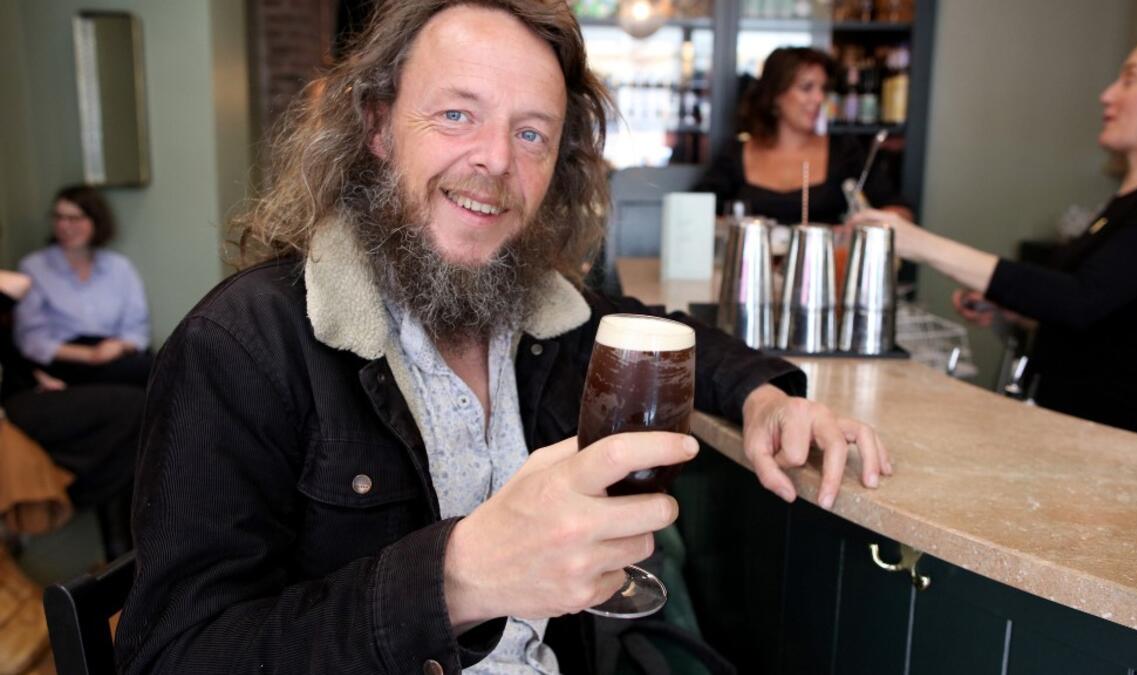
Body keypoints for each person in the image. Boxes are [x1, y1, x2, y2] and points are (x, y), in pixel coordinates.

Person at [115, 2, 892, 673]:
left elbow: (669, 334)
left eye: (532, 134)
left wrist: (764, 396)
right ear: (379, 125)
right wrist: (457, 579)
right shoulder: (240, 347)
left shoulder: (538, 314)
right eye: (457, 114)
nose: (495, 160)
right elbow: (176, 654)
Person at [851, 28, 1137, 444]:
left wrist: (919, 244)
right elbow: (1108, 314)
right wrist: (1012, 308)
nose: (1107, 95)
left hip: (1124, 438)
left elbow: (1081, 299)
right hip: (1073, 427)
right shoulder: (1132, 200)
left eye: (1129, 79)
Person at [0, 269, 141, 560]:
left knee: (138, 409)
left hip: (24, 389)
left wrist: (34, 374)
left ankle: (123, 556)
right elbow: (18, 284)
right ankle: (60, 495)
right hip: (9, 411)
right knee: (132, 408)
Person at [694, 47, 912, 224]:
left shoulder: (844, 151)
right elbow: (694, 213)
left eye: (822, 88)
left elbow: (900, 211)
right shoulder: (736, 152)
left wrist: (865, 228)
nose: (819, 98)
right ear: (776, 95)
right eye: (807, 88)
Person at [15, 185, 152, 387]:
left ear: (96, 221)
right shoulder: (34, 268)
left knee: (164, 365)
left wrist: (120, 347)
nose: (65, 226)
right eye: (59, 217)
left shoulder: (119, 267)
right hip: (67, 359)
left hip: (115, 351)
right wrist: (90, 355)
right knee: (144, 373)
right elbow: (32, 340)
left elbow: (137, 327)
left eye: (75, 218)